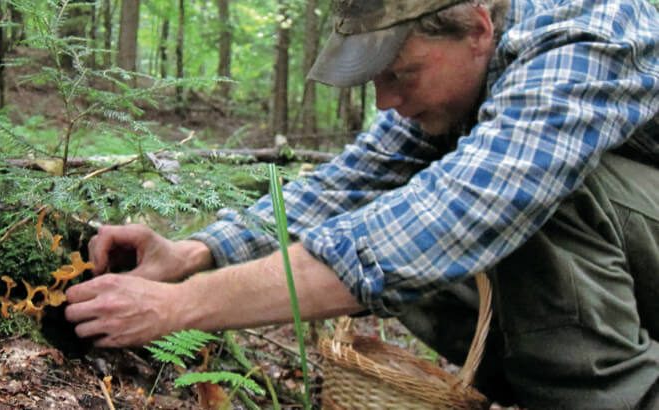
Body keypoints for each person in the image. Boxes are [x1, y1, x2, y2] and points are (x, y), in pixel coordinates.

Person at [64, 0, 659, 407]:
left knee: (535, 198)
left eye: (400, 73)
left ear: (478, 27)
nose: (384, 101)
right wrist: (196, 252)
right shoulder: (463, 75)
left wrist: (183, 306)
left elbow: (466, 209)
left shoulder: (587, 34)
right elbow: (348, 185)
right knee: (402, 217)